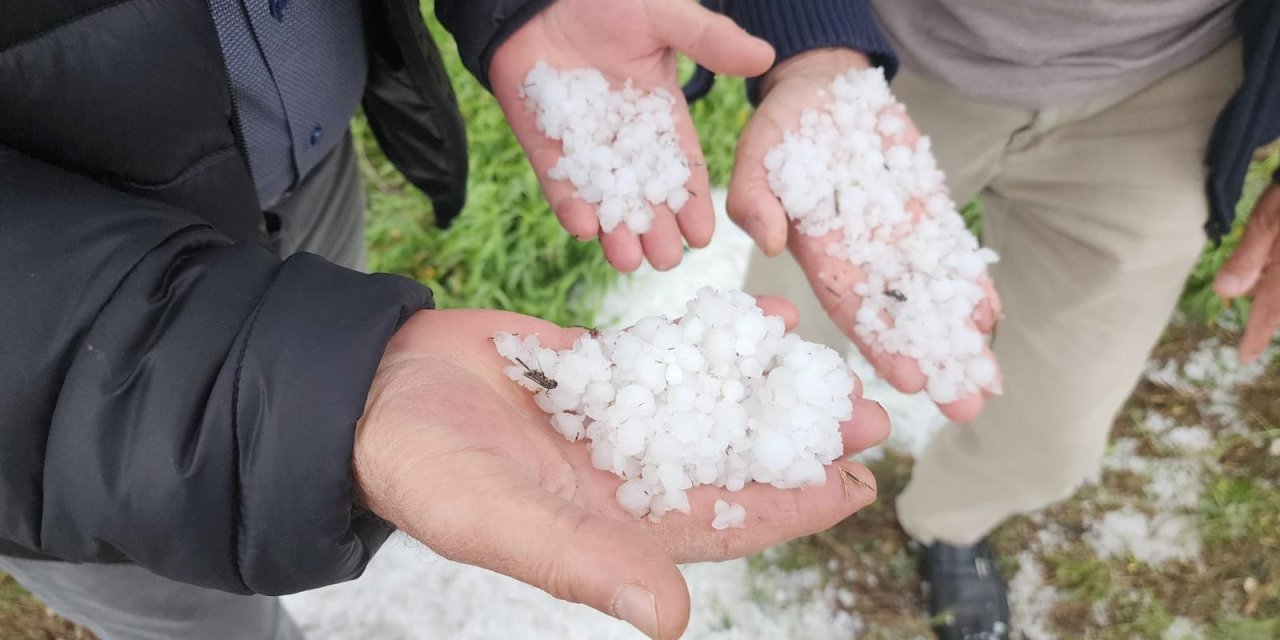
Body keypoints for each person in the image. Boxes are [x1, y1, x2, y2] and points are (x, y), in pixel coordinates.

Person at [0, 1, 900, 639]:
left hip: (303, 175)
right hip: (50, 376)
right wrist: (262, 392)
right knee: (179, 598)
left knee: (307, 373)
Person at [713, 1, 1280, 638]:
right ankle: (756, 462)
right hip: (884, 38)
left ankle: (950, 522)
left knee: (1050, 431)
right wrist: (810, 39)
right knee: (781, 334)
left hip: (1173, 88)